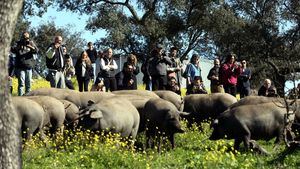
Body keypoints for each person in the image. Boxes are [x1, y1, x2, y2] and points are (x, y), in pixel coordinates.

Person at [11, 31, 38, 96]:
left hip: (29, 67)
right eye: (24, 37)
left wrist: (30, 46)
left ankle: (28, 98)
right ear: (22, 37)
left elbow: (36, 51)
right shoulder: (18, 43)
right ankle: (20, 98)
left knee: (28, 84)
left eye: (27, 37)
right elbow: (13, 50)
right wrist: (19, 46)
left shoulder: (31, 43)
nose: (26, 39)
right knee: (21, 84)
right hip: (20, 67)